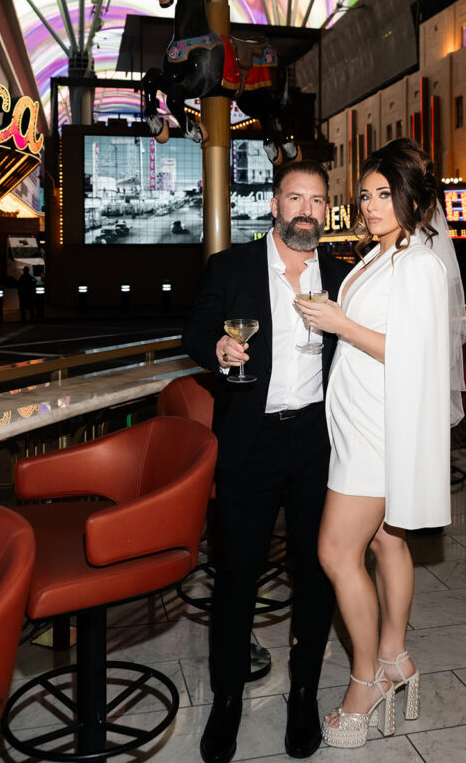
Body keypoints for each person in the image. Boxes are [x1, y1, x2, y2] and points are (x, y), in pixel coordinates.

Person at [297, 138, 466, 749]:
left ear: (411, 195)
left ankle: (365, 682)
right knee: (386, 542)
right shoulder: (381, 254)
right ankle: (395, 658)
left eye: (383, 194)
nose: (370, 205)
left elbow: (414, 354)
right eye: (365, 195)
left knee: (336, 553)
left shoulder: (418, 261)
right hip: (359, 422)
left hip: (378, 427)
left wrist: (341, 324)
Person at [183, 160, 351, 763]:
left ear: (325, 211)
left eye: (317, 200)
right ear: (274, 205)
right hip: (249, 442)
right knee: (236, 576)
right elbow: (195, 330)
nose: (306, 209)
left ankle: (303, 693)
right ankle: (227, 698)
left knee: (315, 573)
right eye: (295, 198)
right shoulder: (231, 268)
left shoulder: (341, 275)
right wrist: (219, 347)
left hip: (318, 441)